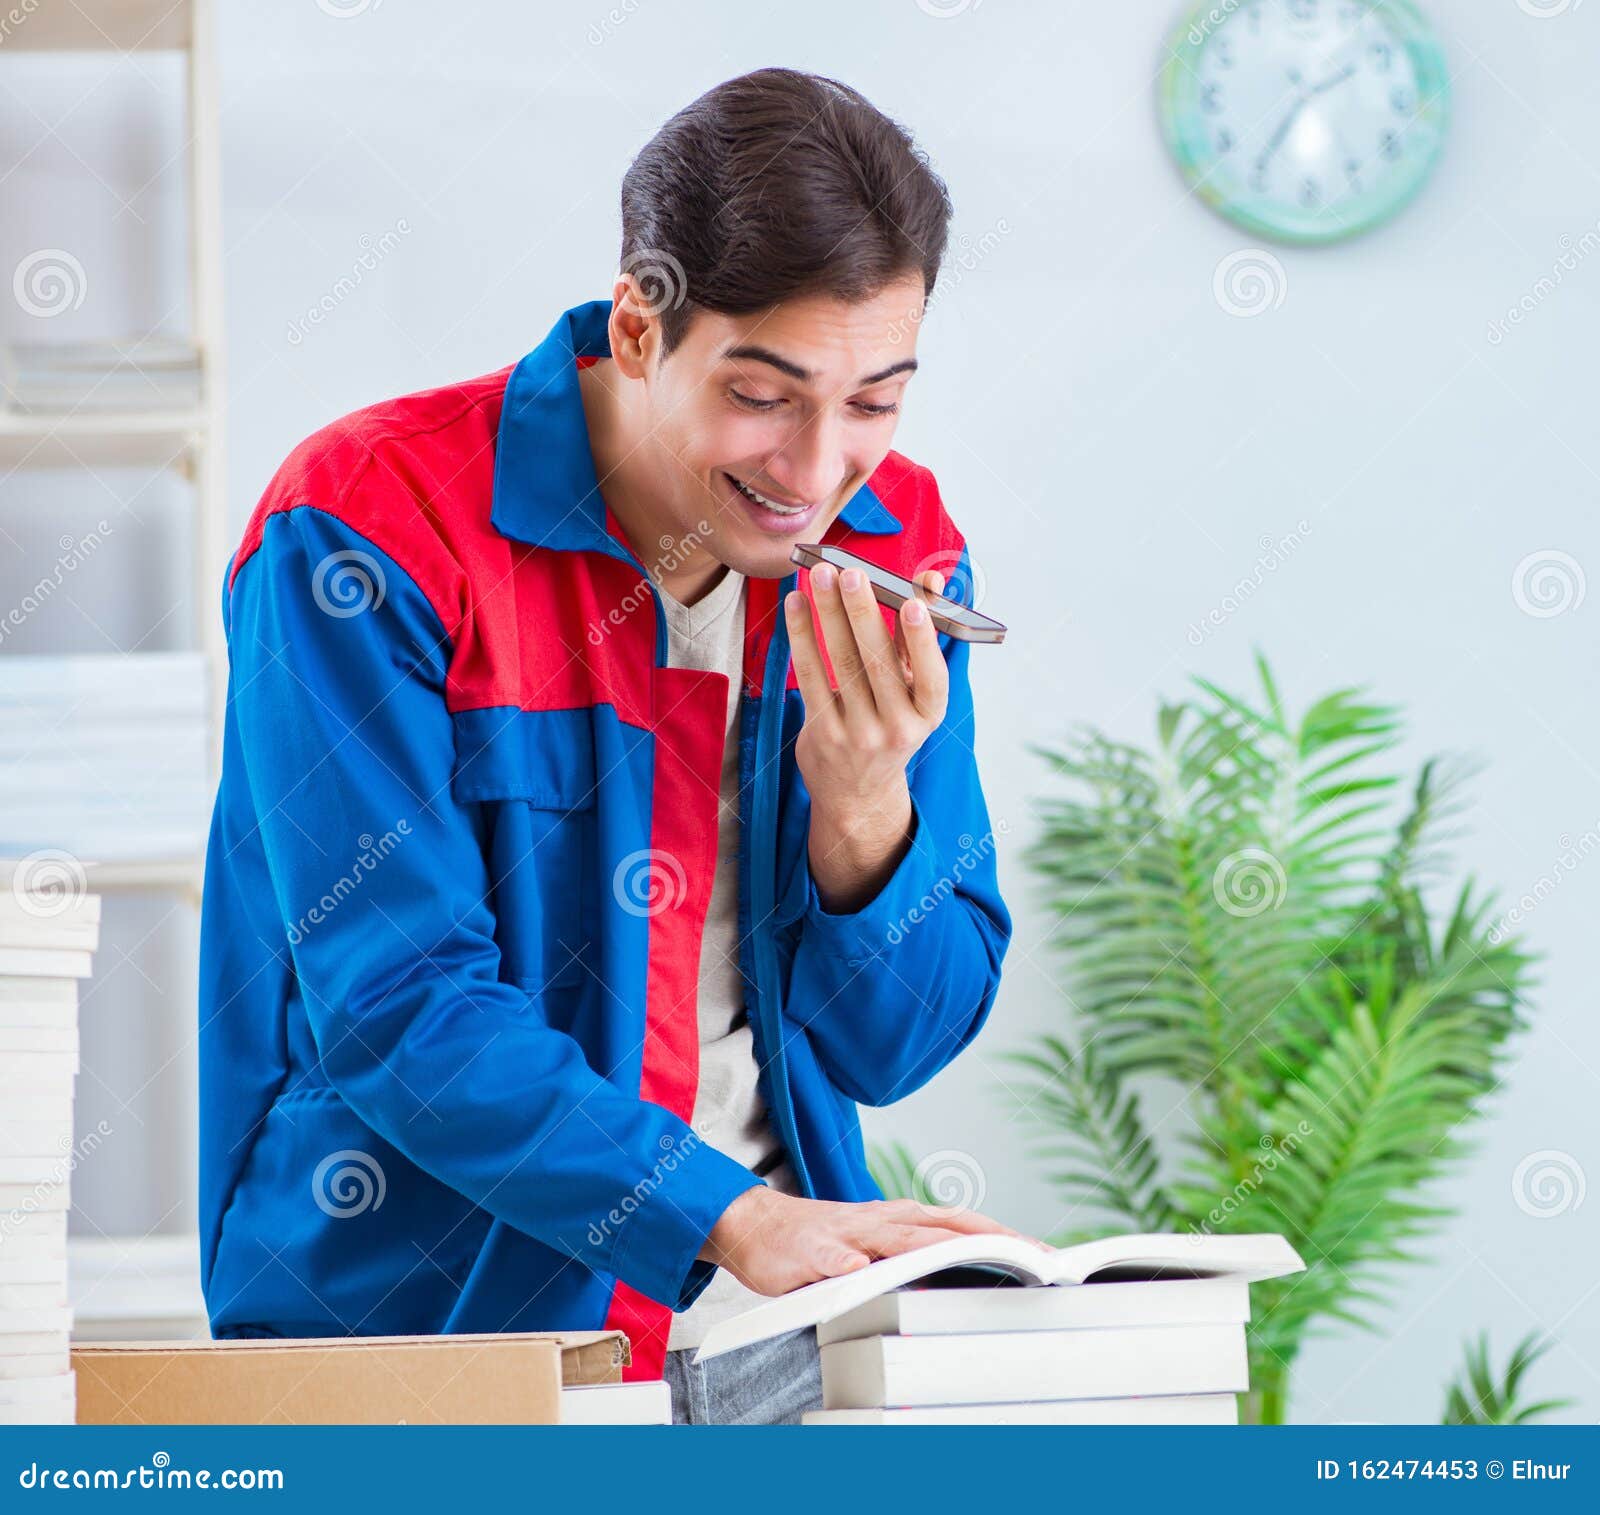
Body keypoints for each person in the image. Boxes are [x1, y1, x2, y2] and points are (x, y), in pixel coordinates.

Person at [198, 66, 1013, 1426]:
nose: (817, 469)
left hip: (775, 1342)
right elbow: (400, 1006)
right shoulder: (367, 527)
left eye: (875, 400)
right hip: (422, 1335)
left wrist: (867, 811)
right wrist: (720, 1210)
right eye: (764, 393)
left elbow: (895, 1047)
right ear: (641, 329)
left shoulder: (894, 552)